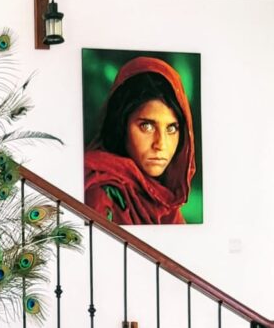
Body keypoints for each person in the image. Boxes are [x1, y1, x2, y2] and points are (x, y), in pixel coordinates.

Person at [84, 56, 196, 224]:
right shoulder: (99, 194)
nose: (161, 144)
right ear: (121, 125)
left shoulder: (164, 203)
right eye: (147, 126)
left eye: (171, 128)